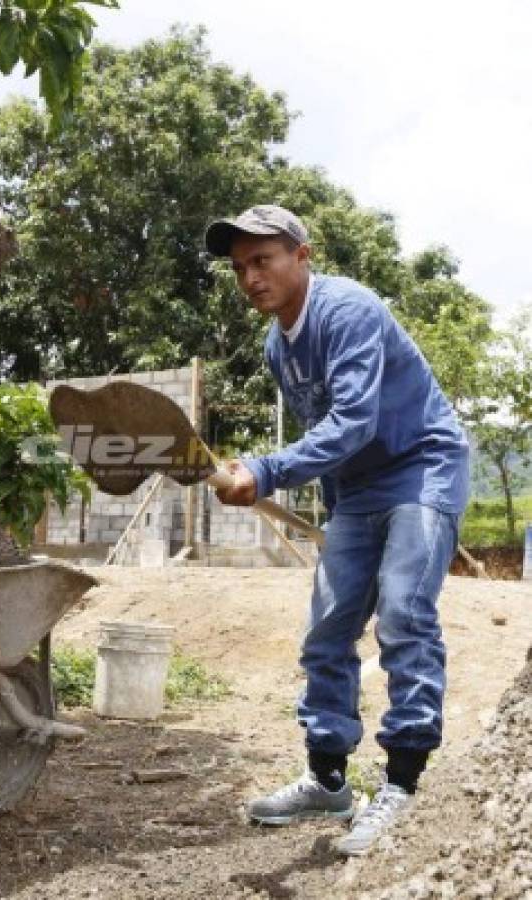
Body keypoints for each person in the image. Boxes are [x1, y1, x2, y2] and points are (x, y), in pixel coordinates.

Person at [204, 205, 469, 856]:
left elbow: (350, 422)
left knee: (403, 614)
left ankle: (401, 785)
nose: (249, 278)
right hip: (356, 490)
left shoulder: (347, 309)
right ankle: (327, 779)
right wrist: (316, 500)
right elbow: (332, 438)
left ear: (302, 255)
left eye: (261, 260)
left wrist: (265, 472)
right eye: (239, 268)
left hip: (421, 466)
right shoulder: (275, 347)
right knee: (326, 628)